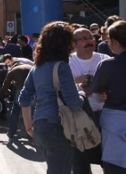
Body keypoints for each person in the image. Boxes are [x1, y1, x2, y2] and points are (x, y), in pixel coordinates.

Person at [19, 21, 84, 174]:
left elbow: (24, 98)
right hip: (58, 127)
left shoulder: (37, 68)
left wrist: (29, 126)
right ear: (64, 43)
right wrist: (82, 93)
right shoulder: (62, 66)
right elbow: (74, 103)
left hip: (40, 126)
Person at [69, 27, 109, 174]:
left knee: (107, 156)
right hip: (81, 116)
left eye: (91, 38)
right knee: (81, 158)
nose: (89, 41)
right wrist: (88, 84)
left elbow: (108, 84)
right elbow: (68, 88)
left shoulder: (104, 59)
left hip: (105, 114)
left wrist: (84, 81)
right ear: (74, 44)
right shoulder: (68, 62)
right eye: (84, 39)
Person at [92, 20, 126, 173]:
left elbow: (97, 90)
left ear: (113, 41)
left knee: (114, 166)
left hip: (115, 122)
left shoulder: (107, 65)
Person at [2, 54, 32, 138]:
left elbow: (5, 85)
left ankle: (11, 132)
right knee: (31, 111)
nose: (8, 65)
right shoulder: (29, 67)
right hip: (33, 90)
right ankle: (31, 133)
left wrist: (7, 92)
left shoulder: (13, 70)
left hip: (20, 90)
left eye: (8, 63)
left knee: (15, 110)